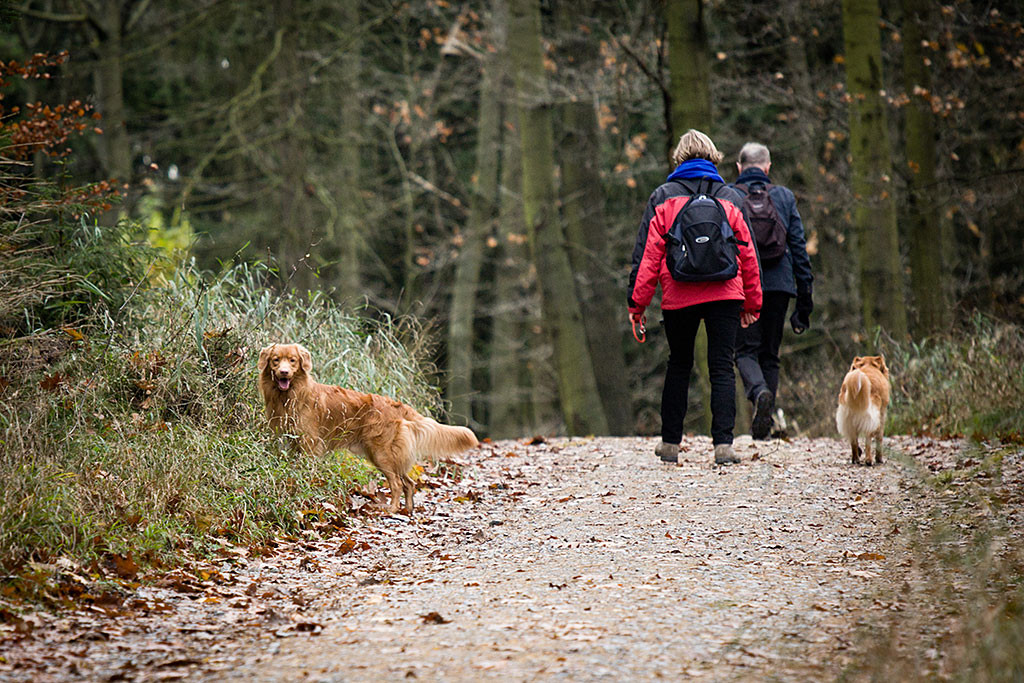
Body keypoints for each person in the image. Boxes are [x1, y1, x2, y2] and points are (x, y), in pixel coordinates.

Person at [627, 130, 762, 465]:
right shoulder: (730, 196)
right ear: (713, 156)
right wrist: (752, 302)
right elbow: (747, 254)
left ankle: (671, 444)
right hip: (725, 293)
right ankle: (723, 446)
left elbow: (647, 256)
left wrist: (637, 304)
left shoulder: (663, 196)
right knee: (721, 367)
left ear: (679, 158)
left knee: (679, 365)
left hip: (678, 293)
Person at [729, 142, 813, 439]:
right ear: (768, 167)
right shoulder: (784, 197)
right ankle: (767, 423)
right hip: (779, 286)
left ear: (739, 168)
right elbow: (799, 251)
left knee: (745, 351)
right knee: (770, 354)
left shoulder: (730, 197)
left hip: (741, 286)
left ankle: (759, 392)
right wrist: (804, 304)